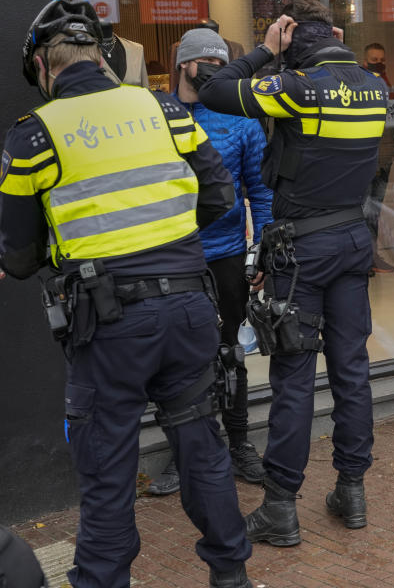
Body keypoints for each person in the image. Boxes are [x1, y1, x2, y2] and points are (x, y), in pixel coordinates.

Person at [0, 0, 252, 587]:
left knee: (108, 466)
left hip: (107, 322)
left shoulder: (33, 136)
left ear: (43, 66)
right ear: (103, 55)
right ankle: (232, 575)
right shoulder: (164, 108)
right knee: (202, 447)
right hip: (191, 308)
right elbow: (218, 197)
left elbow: (17, 254)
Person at [199, 0, 388, 537]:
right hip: (353, 241)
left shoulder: (298, 89)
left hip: (301, 252)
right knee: (352, 370)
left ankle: (281, 504)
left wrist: (262, 50)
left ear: (291, 37)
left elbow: (214, 90)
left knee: (294, 376)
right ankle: (351, 491)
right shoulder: (373, 86)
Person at [147, 28, 273, 496]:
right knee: (176, 362)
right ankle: (185, 456)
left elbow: (260, 194)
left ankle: (239, 445)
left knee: (230, 353)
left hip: (225, 257)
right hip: (170, 256)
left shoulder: (242, 121)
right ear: (185, 64)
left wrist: (261, 250)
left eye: (224, 65)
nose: (217, 73)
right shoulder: (154, 115)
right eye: (208, 65)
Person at [360, 42, 394, 274]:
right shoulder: (363, 86)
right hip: (366, 159)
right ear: (365, 62)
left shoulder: (388, 84)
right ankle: (367, 259)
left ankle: (372, 257)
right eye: (374, 60)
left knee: (376, 211)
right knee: (365, 211)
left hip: (384, 159)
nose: (379, 63)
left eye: (382, 59)